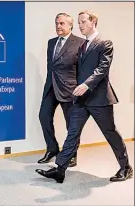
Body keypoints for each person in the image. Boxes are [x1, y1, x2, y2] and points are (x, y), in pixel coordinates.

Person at [35, 10, 133, 183]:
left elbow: (102, 69)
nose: (80, 26)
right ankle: (60, 169)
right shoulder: (82, 45)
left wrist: (86, 84)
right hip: (81, 100)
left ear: (93, 21)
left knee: (110, 133)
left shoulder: (105, 43)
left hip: (100, 99)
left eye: (82, 22)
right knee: (72, 132)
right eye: (78, 22)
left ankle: (126, 168)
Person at [38, 13, 84, 167]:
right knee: (43, 116)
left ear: (71, 25)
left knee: (72, 125)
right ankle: (52, 149)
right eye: (56, 23)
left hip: (70, 89)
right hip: (51, 86)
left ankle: (71, 155)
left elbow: (82, 70)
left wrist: (80, 88)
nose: (58, 26)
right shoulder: (51, 43)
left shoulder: (80, 43)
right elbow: (50, 66)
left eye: (62, 23)